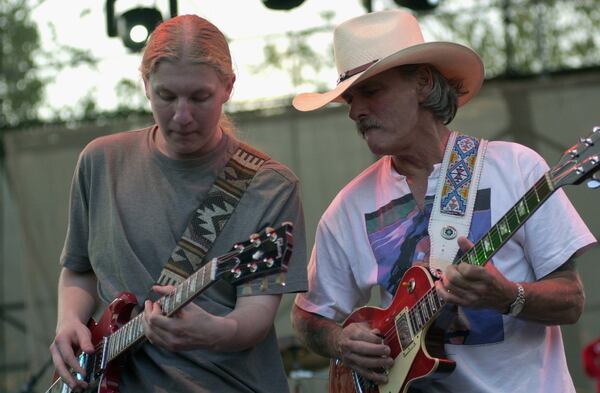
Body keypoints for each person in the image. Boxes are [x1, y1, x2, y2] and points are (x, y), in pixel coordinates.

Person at [291, 9, 597, 393]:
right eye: (350, 98)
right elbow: (307, 317)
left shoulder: (516, 167)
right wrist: (339, 342)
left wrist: (507, 296)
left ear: (421, 82)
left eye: (371, 91)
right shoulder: (347, 208)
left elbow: (571, 300)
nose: (355, 111)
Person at [49, 14, 307, 393]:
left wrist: (217, 332)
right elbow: (78, 270)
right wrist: (68, 319)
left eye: (199, 97)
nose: (182, 116)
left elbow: (255, 316)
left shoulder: (270, 186)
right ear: (145, 85)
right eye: (166, 96)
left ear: (228, 87)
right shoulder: (99, 162)